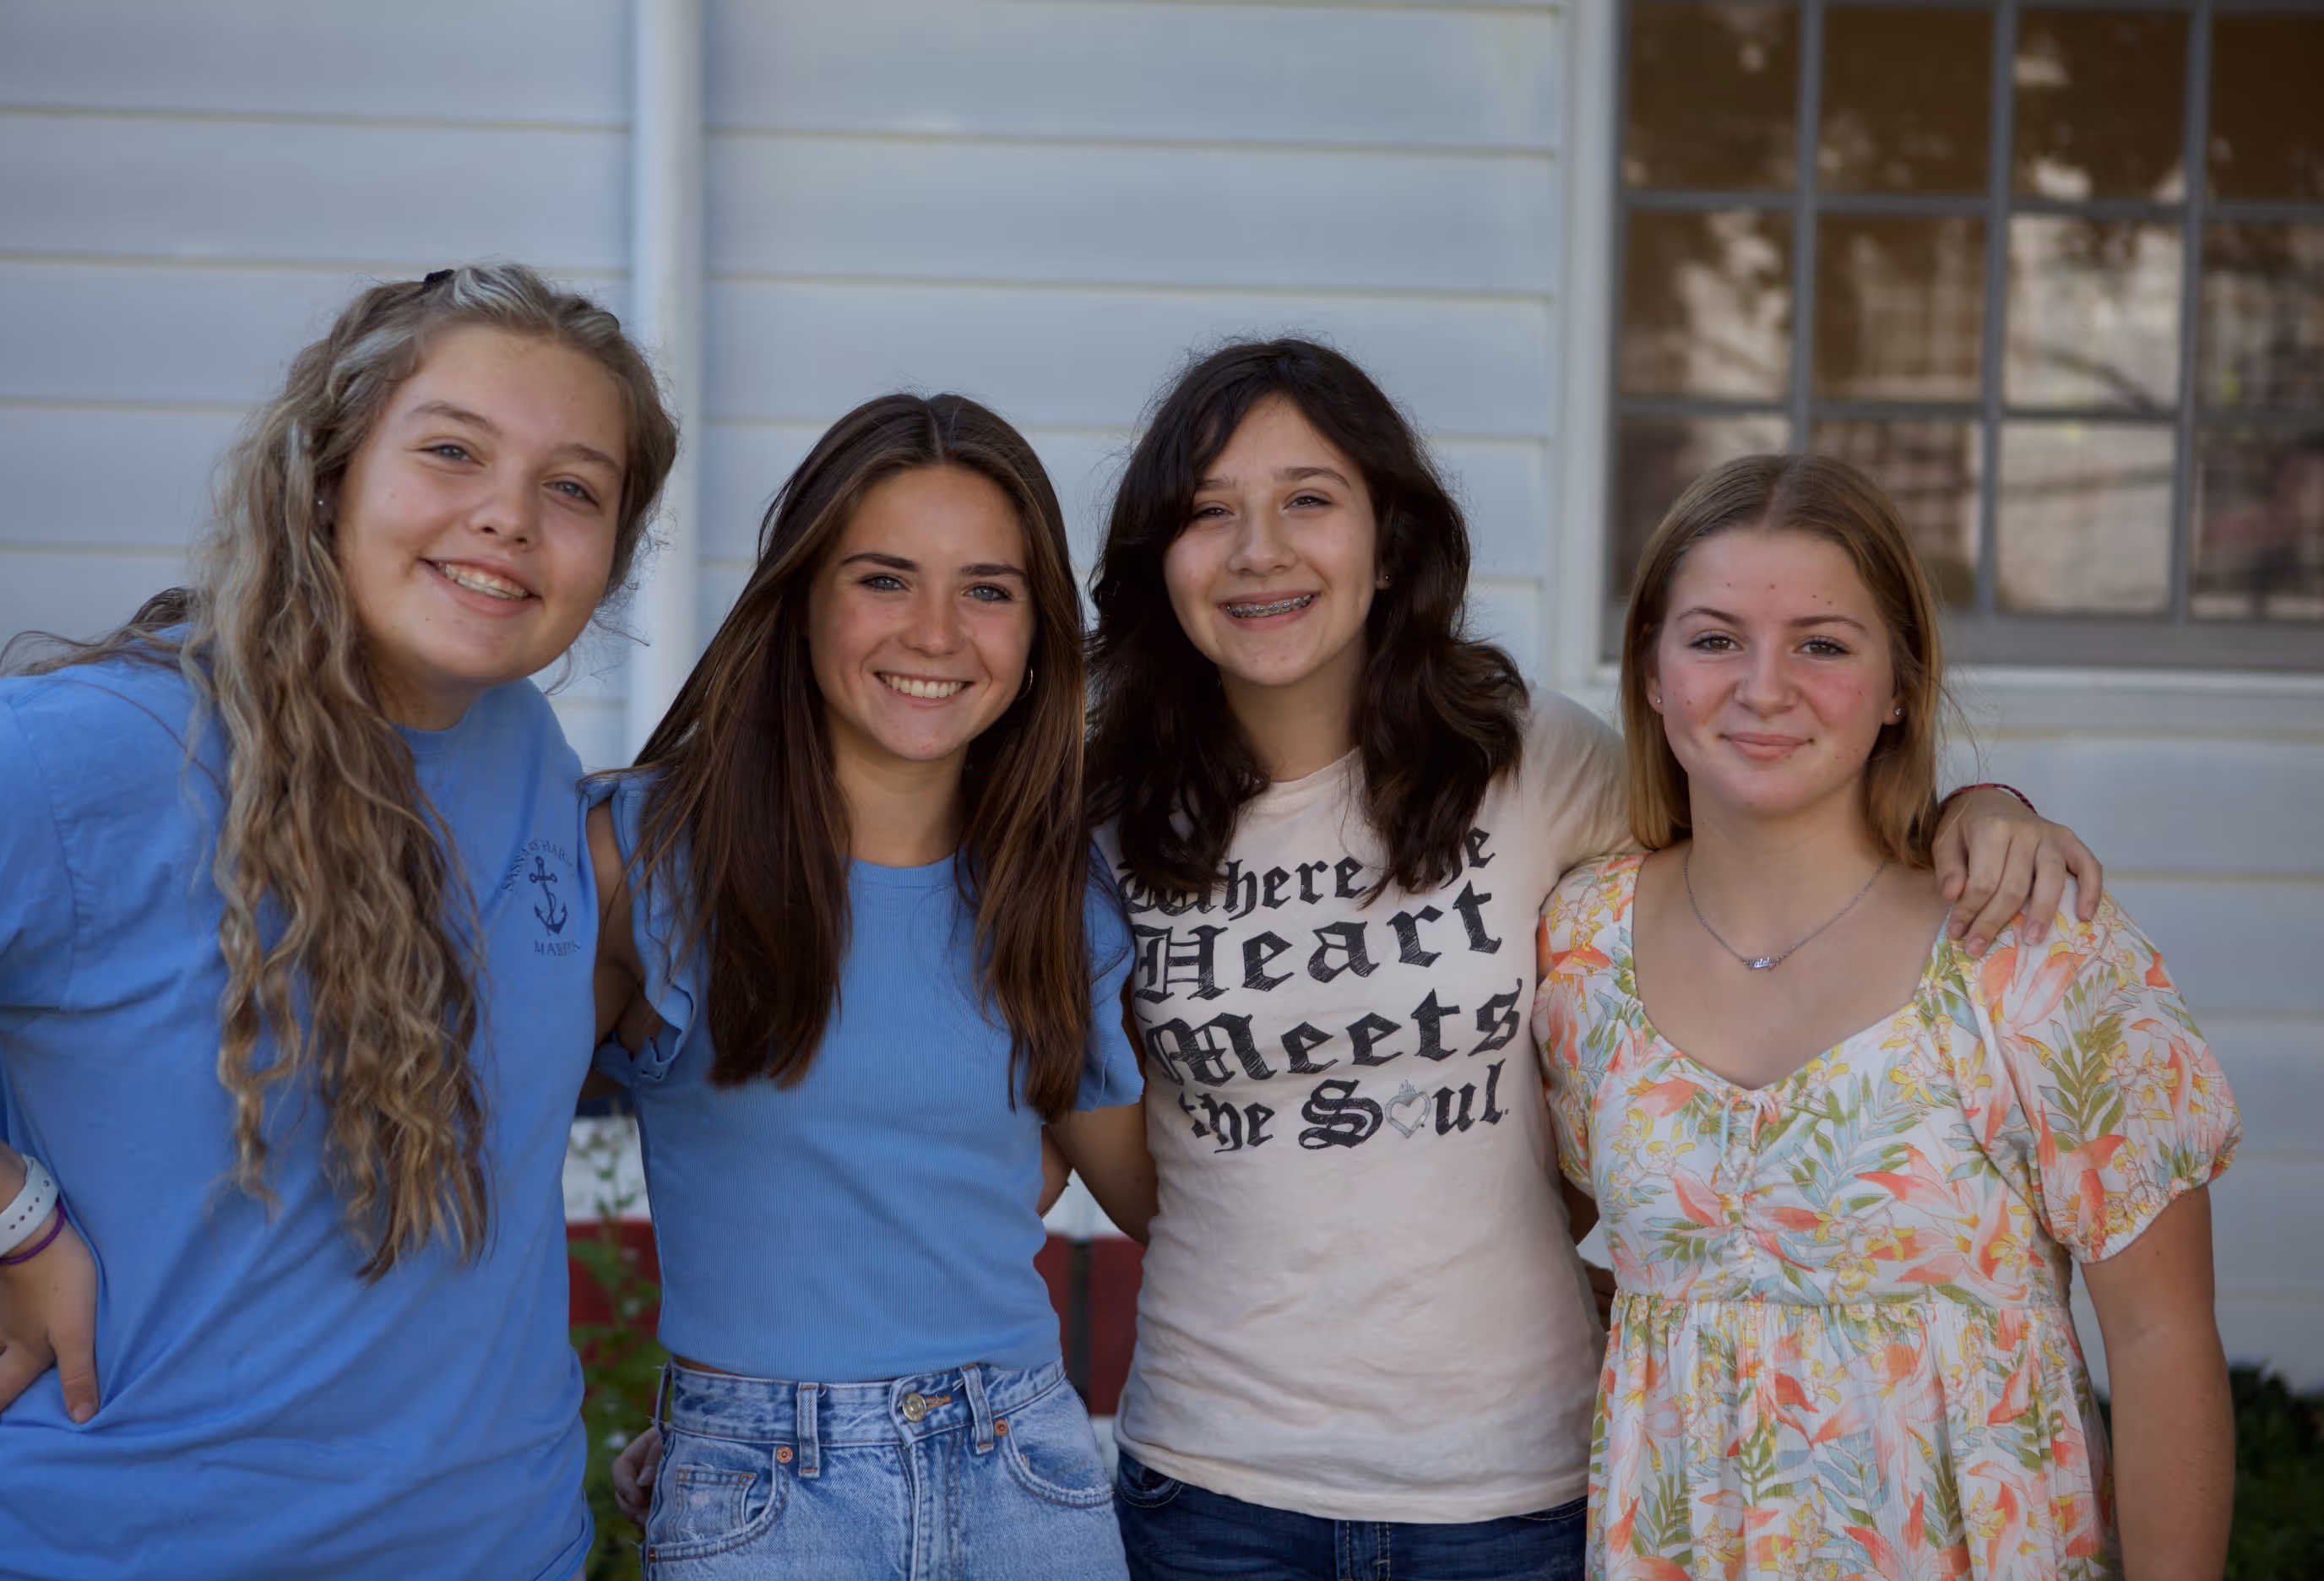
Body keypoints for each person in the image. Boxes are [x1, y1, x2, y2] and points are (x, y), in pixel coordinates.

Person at [1082, 339, 2107, 1581]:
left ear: (1390, 540)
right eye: (1208, 512)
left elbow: (1771, 821)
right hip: (1214, 1486)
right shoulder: (1102, 809)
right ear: (1160, 558)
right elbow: (1142, 1167)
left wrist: (1973, 806)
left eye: (1309, 499)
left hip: (1515, 1487)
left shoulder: (1529, 758)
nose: (1260, 550)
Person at [0, 264, 678, 1579]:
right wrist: (10, 1216)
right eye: (452, 451)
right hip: (113, 1546)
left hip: (501, 1549)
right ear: (327, 471)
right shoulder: (82, 760)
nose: (508, 517)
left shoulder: (521, 747)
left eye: (574, 487)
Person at [1534, 454, 2237, 1578]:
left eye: (1823, 642)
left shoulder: (2031, 947)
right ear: (1654, 674)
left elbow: (2162, 1344)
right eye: (1714, 639)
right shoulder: (1579, 951)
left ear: (1901, 682)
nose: (1764, 687)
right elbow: (1564, 1246)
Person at [589, 394, 1152, 1578]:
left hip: (1027, 1475)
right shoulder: (644, 859)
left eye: (988, 589)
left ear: (1040, 631)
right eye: (885, 580)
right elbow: (456, 1145)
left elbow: (1154, 1195)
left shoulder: (1055, 892)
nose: (937, 632)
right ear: (799, 602)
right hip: (763, 1491)